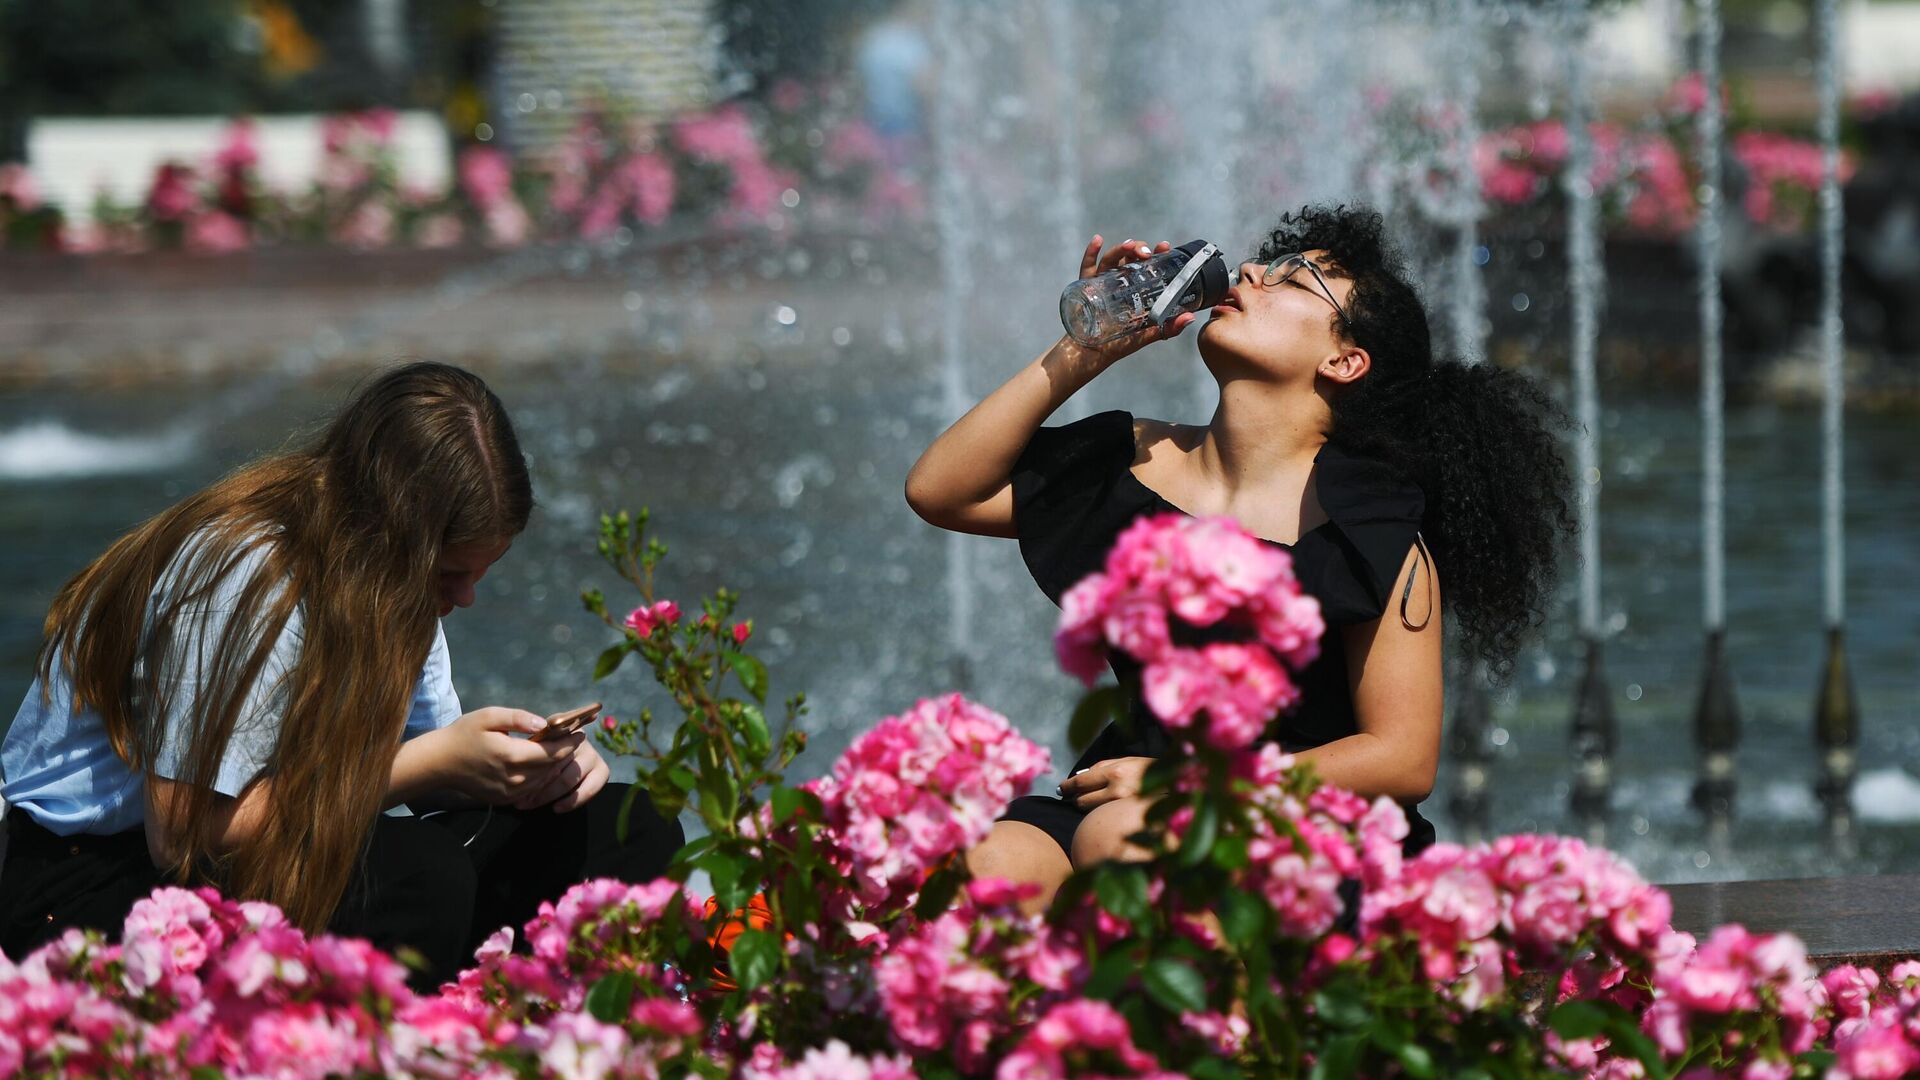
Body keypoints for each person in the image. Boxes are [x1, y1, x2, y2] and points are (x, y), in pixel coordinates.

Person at [906, 205, 1572, 912]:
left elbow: (1402, 758)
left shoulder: (1371, 530)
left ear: (1344, 360)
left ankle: (1208, 1024)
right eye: (1265, 265)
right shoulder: (1136, 462)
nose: (1250, 271)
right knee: (987, 867)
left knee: (1125, 839)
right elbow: (941, 491)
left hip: (1305, 831)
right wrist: (1089, 347)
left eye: (1295, 280)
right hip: (1128, 797)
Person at [0, 362, 683, 984]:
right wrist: (427, 767)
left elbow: (440, 773)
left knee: (625, 825)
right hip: (90, 883)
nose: (463, 599)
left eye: (477, 576)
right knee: (419, 874)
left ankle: (533, 1033)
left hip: (259, 850)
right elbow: (184, 830)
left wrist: (533, 772)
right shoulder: (245, 574)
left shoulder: (386, 583)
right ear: (387, 532)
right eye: (449, 575)